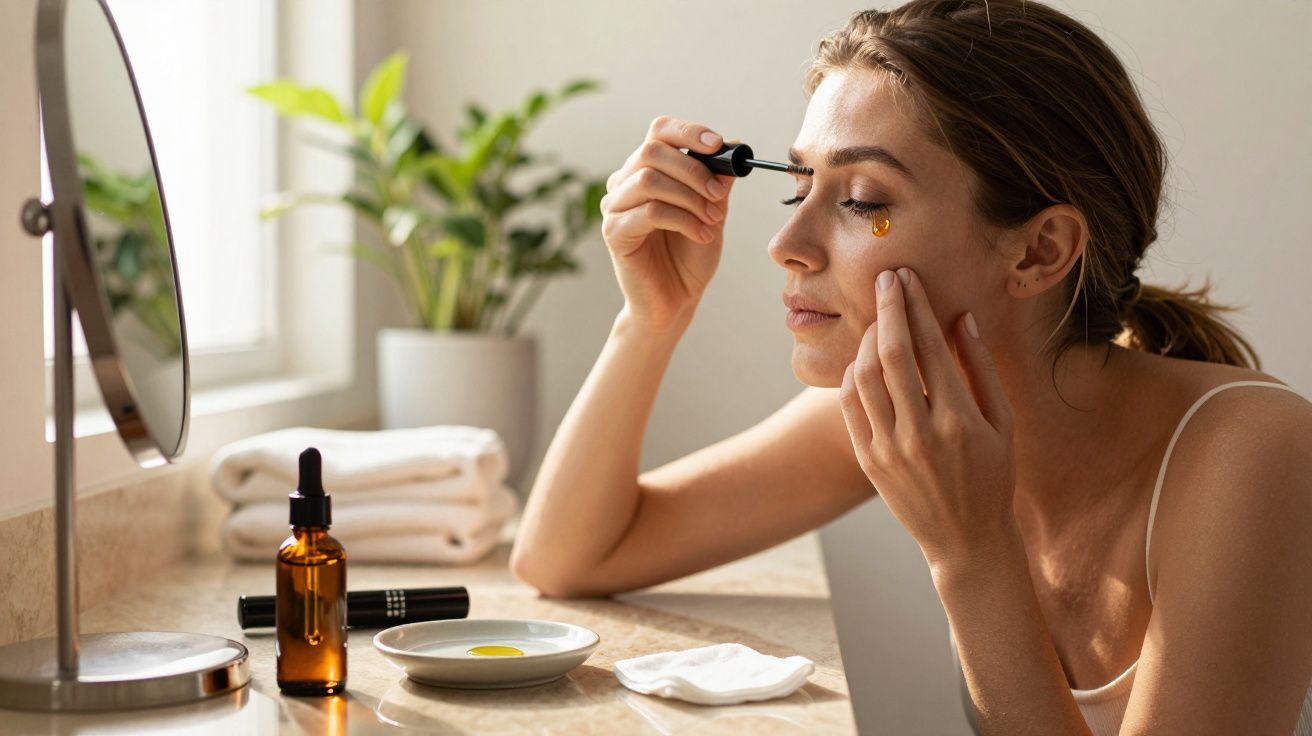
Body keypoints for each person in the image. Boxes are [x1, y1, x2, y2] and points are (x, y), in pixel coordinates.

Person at [508, 1, 1312, 733]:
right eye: (799, 187)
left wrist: (970, 553)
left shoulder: (1255, 453)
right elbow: (567, 557)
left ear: (1040, 251)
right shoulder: (912, 409)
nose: (786, 245)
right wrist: (651, 319)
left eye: (862, 199)